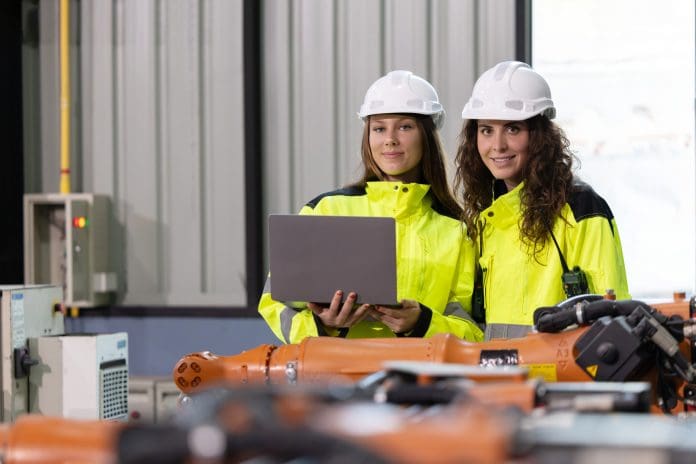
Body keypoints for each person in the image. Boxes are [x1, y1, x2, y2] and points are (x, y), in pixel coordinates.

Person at [259, 70, 483, 344]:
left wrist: (422, 322)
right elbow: (274, 302)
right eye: (379, 128)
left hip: (418, 380)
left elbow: (472, 331)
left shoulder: (457, 230)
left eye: (404, 127)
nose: (390, 139)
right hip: (337, 378)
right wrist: (323, 326)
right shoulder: (326, 210)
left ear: (426, 135)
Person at [454, 60, 630, 340]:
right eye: (486, 130)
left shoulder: (581, 208)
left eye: (512, 129)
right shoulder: (485, 216)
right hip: (501, 380)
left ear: (539, 136)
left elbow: (609, 316)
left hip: (562, 380)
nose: (497, 145)